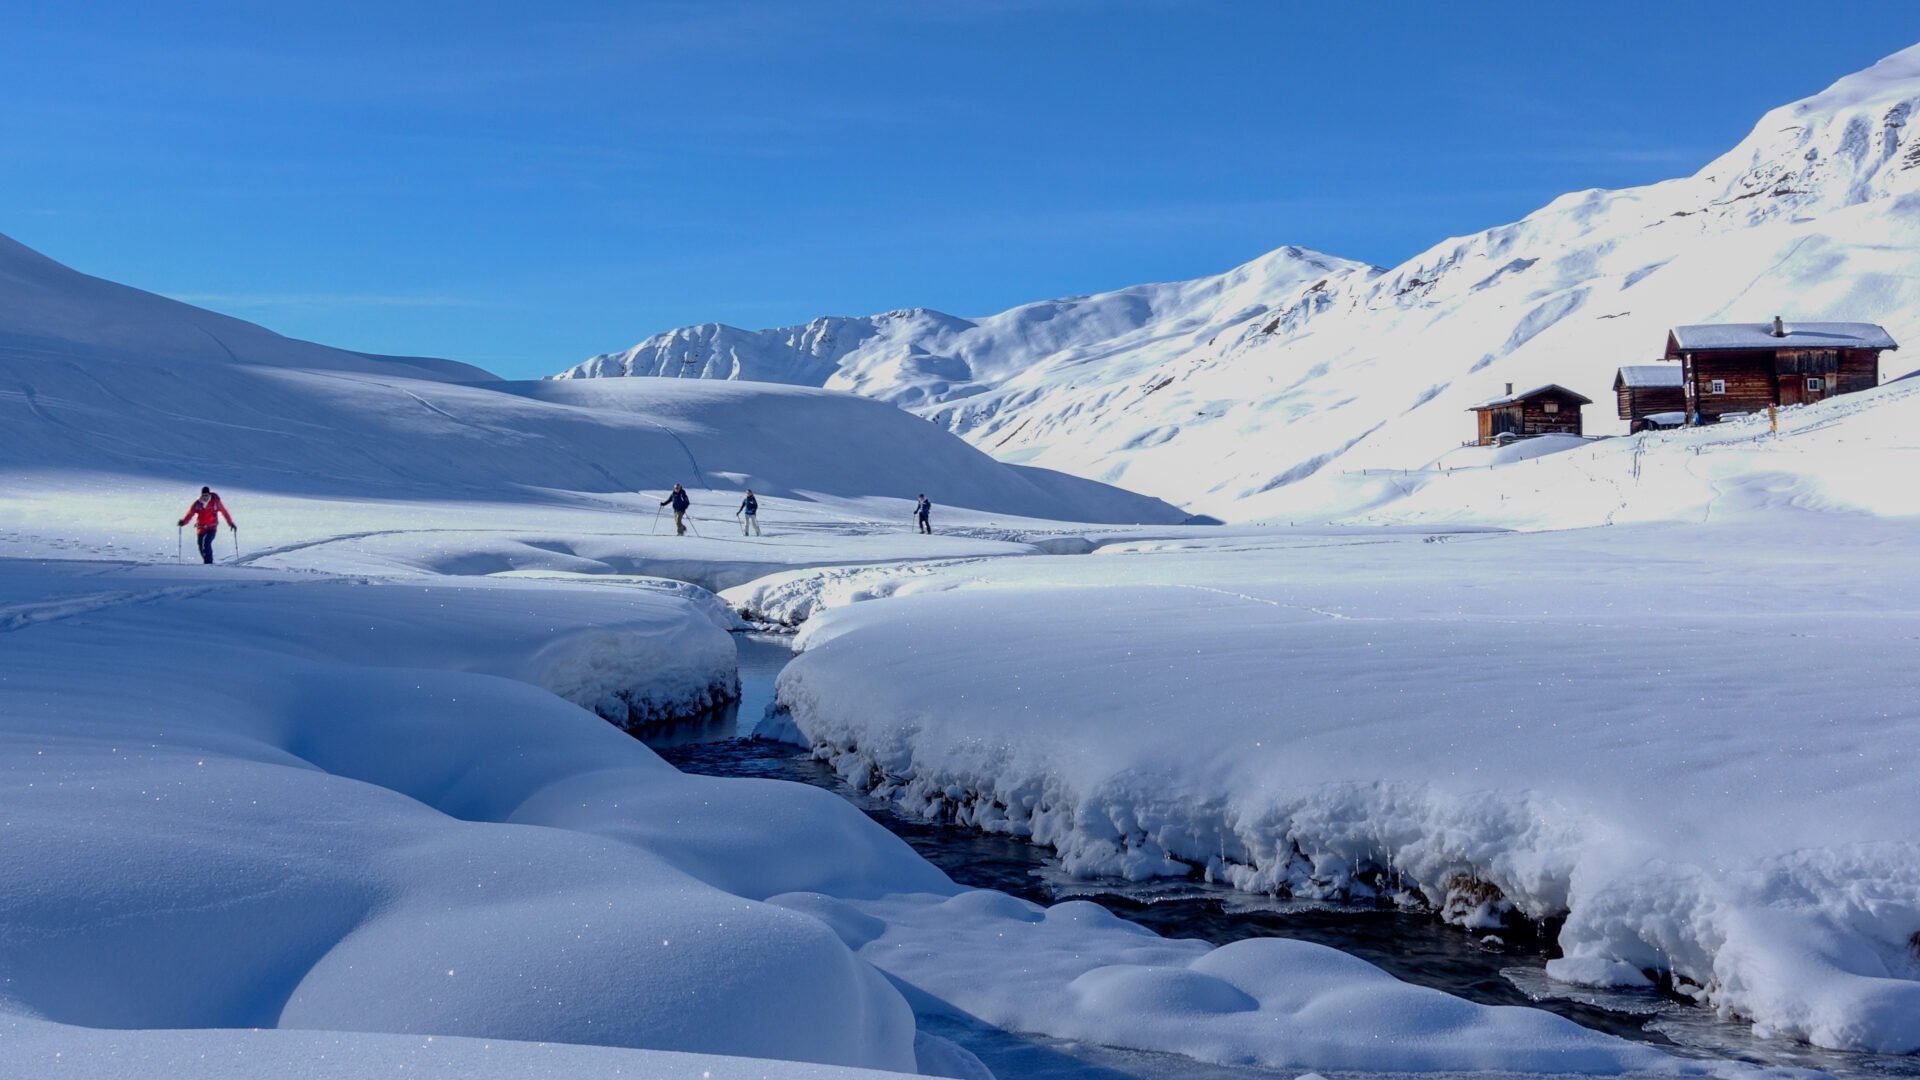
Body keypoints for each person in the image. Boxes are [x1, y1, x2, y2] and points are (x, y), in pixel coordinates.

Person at [177, 486, 236, 564]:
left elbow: (224, 512)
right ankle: (207, 561)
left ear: (209, 494)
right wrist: (184, 522)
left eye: (207, 495)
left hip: (212, 528)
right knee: (201, 546)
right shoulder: (198, 504)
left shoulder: (215, 502)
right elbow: (190, 514)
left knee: (207, 543)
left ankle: (208, 563)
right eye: (204, 495)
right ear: (201, 495)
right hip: (201, 528)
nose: (205, 497)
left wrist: (231, 523)